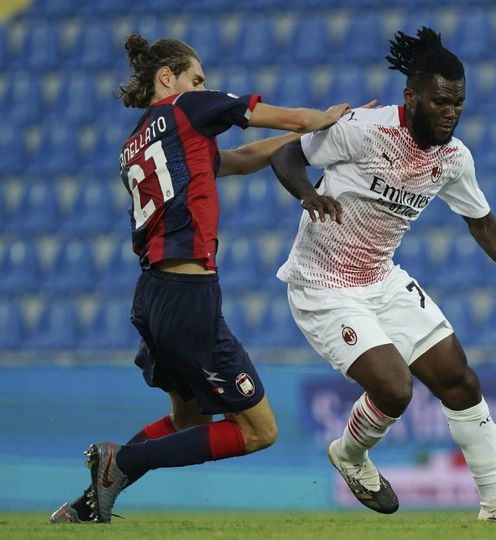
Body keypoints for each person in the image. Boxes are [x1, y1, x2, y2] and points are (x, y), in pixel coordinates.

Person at [269, 26, 496, 522]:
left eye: (458, 103)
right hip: (323, 286)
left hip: (382, 278)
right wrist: (307, 194)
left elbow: (484, 224)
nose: (450, 112)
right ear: (410, 96)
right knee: (395, 389)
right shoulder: (364, 128)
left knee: (459, 379)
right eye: (440, 102)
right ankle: (349, 455)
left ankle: (495, 504)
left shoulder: (454, 158)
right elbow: (287, 153)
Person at [50, 33, 355, 524]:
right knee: (258, 431)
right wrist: (330, 122)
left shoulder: (136, 145)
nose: (204, 87)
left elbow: (241, 159)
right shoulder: (189, 108)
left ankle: (89, 503)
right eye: (197, 78)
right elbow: (293, 117)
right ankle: (119, 460)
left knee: (187, 420)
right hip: (189, 295)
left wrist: (301, 140)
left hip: (150, 296)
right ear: (167, 79)